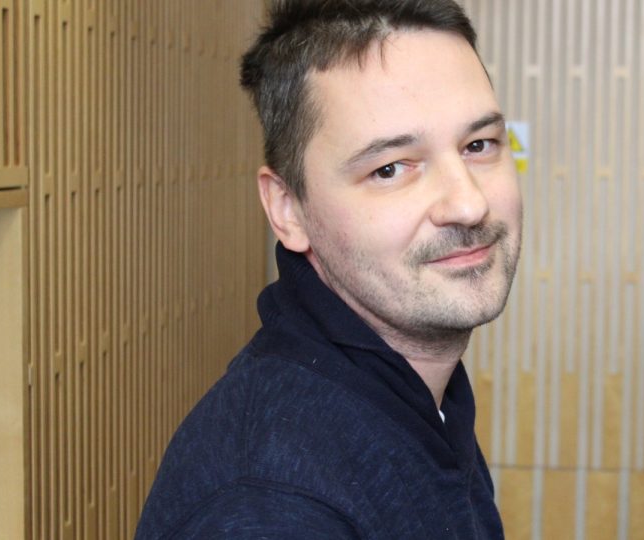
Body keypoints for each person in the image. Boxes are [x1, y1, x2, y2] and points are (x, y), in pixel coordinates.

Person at [136, 1, 522, 538]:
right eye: (390, 169)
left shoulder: (417, 394)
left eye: (478, 145)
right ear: (288, 210)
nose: (468, 204)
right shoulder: (271, 506)